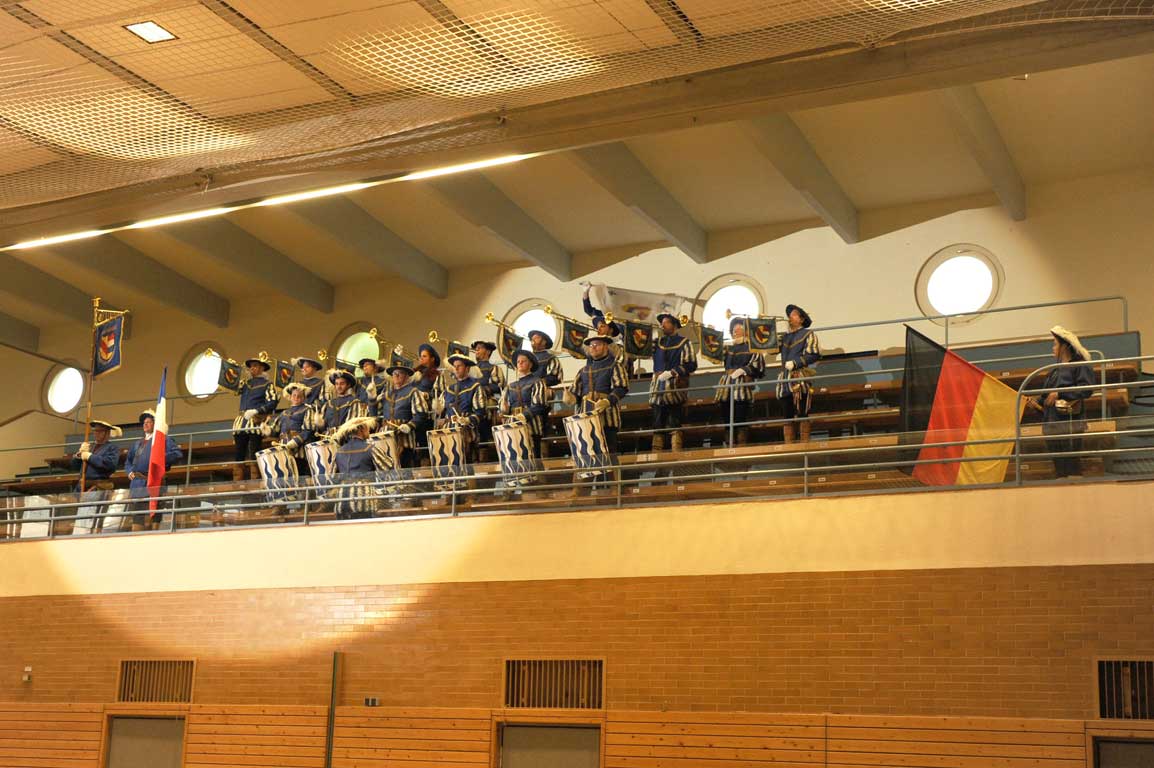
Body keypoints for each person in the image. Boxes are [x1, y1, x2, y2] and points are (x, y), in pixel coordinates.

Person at [1031, 326, 1095, 478]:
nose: (1053, 348)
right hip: (1051, 425)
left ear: (1064, 346)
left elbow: (1087, 389)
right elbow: (1045, 398)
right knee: (1059, 467)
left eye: (1055, 344)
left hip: (1070, 424)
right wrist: (1034, 403)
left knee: (1072, 465)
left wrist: (1060, 393)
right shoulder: (1054, 370)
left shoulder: (1079, 365)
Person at [564, 333, 629, 455]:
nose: (593, 347)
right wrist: (569, 397)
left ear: (605, 346)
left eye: (597, 345)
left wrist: (607, 401)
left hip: (607, 418)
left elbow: (621, 388)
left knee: (609, 454)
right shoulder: (583, 370)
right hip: (585, 419)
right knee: (587, 454)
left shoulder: (615, 366)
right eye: (591, 345)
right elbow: (575, 393)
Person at [125, 409, 184, 531]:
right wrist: (130, 471)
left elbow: (177, 454)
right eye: (144, 422)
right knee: (137, 520)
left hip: (153, 483)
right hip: (136, 486)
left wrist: (159, 459)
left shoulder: (163, 440)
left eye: (149, 422)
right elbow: (128, 461)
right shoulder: (137, 444)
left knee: (153, 520)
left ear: (155, 424)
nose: (145, 424)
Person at [649, 313, 697, 452]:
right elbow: (641, 349)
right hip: (658, 387)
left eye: (666, 322)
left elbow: (691, 364)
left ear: (674, 325)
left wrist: (673, 372)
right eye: (662, 323)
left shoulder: (684, 342)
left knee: (674, 420)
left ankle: (676, 451)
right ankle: (656, 453)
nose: (663, 325)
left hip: (674, 386)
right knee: (657, 421)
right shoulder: (657, 342)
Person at [715, 317, 766, 446]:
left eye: (738, 329)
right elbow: (714, 354)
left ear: (746, 331)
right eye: (733, 329)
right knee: (726, 415)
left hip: (741, 386)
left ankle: (741, 443)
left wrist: (743, 370)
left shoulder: (752, 346)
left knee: (741, 415)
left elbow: (758, 365)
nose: (735, 331)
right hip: (726, 386)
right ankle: (729, 442)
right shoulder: (728, 348)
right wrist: (712, 334)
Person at [776, 303, 821, 444]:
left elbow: (813, 354)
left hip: (799, 376)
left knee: (802, 411)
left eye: (794, 314)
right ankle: (789, 445)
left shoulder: (809, 333)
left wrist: (796, 363)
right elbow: (768, 347)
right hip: (785, 379)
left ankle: (804, 443)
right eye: (790, 315)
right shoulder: (784, 337)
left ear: (801, 319)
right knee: (787, 414)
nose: (790, 317)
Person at [71, 419, 123, 533]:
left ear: (107, 433)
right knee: (81, 521)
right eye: (95, 431)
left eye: (99, 431)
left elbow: (109, 465)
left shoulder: (112, 448)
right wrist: (78, 455)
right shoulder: (90, 447)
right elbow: (74, 466)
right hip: (82, 486)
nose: (96, 433)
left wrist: (90, 457)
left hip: (98, 487)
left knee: (93, 519)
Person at [233, 356, 279, 481]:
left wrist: (257, 411)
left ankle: (255, 479)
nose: (252, 368)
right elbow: (233, 388)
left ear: (262, 368)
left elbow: (273, 402)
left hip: (256, 420)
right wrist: (232, 370)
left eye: (255, 366)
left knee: (254, 450)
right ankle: (238, 481)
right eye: (251, 366)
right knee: (239, 452)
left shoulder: (267, 384)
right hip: (241, 421)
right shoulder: (245, 383)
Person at [500, 350, 551, 460]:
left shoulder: (537, 381)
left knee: (533, 458)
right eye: (518, 362)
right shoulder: (510, 386)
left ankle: (537, 476)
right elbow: (504, 408)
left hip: (532, 426)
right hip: (512, 426)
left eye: (523, 361)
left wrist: (524, 415)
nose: (520, 363)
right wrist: (504, 409)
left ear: (530, 364)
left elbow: (539, 405)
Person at [376, 363, 429, 469]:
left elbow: (421, 413)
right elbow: (375, 415)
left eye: (399, 373)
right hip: (385, 438)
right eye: (394, 374)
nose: (396, 376)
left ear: (407, 376)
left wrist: (410, 425)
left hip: (404, 439)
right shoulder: (386, 394)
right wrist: (372, 399)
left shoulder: (413, 391)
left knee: (405, 469)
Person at [439, 353, 486, 463]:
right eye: (454, 366)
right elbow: (443, 412)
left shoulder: (475, 386)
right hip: (449, 432)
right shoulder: (449, 389)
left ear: (467, 368)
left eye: (459, 366)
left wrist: (468, 420)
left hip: (467, 433)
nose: (456, 368)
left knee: (467, 463)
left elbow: (480, 412)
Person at [333, 416, 378, 519]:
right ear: (361, 430)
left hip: (342, 498)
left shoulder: (339, 451)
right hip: (364, 497)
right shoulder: (370, 448)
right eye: (367, 428)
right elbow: (386, 467)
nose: (368, 430)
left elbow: (331, 476)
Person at [582, 285, 631, 374]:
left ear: (611, 330)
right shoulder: (594, 346)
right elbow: (588, 309)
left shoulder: (619, 344)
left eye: (603, 326)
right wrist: (585, 292)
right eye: (598, 327)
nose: (599, 329)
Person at [472, 340, 505, 459]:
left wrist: (482, 389)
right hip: (471, 403)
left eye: (480, 348)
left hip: (486, 402)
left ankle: (483, 455)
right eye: (476, 348)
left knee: (483, 426)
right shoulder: (470, 368)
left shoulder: (493, 368)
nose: (477, 350)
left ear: (488, 351)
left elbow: (499, 385)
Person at [279, 383, 315, 475]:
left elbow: (309, 429)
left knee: (301, 475)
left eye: (299, 396)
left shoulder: (307, 410)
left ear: (303, 398)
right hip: (285, 450)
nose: (296, 397)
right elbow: (276, 429)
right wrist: (267, 429)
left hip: (300, 451)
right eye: (294, 395)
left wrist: (295, 441)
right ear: (290, 397)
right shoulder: (284, 413)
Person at [320, 370, 365, 435]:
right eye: (336, 384)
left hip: (344, 439)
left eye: (342, 383)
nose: (339, 386)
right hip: (328, 439)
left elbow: (351, 426)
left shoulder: (354, 402)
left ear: (348, 385)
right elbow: (324, 427)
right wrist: (320, 424)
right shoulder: (329, 403)